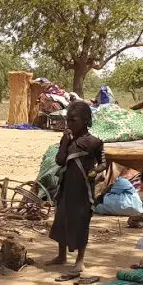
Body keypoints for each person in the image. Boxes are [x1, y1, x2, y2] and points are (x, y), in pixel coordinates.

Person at [47, 101, 105, 273]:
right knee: (62, 219)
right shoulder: (67, 139)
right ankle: (61, 256)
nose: (69, 124)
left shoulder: (94, 142)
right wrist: (64, 142)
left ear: (86, 120)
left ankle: (80, 260)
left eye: (73, 121)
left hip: (83, 189)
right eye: (67, 121)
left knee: (81, 222)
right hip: (66, 187)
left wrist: (95, 171)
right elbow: (59, 160)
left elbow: (103, 164)